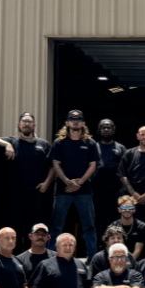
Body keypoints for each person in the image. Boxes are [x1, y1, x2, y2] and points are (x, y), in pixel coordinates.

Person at [0, 113, 53, 245]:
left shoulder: (43, 144)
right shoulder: (12, 142)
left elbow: (53, 166)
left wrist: (46, 183)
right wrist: (6, 145)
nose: (27, 124)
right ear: (19, 125)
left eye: (30, 122)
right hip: (15, 198)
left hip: (37, 198)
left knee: (33, 232)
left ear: (34, 125)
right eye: (24, 121)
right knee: (15, 230)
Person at [49, 110, 100, 259]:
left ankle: (92, 259)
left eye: (78, 119)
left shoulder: (90, 143)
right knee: (57, 226)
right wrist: (67, 181)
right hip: (63, 190)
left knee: (89, 226)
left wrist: (80, 182)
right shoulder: (59, 143)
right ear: (67, 123)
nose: (75, 121)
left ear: (83, 123)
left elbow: (93, 165)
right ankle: (52, 257)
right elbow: (55, 164)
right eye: (72, 119)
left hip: (84, 191)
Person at [92, 118, 127, 224]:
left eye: (109, 127)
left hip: (116, 191)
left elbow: (126, 169)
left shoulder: (121, 148)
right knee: (97, 219)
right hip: (97, 191)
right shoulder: (93, 147)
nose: (106, 130)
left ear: (113, 129)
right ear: (99, 130)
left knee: (115, 219)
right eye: (104, 128)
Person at [106, 195, 145, 260]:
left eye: (130, 208)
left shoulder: (142, 227)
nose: (127, 210)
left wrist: (128, 263)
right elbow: (110, 248)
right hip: (117, 260)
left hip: (136, 261)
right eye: (124, 208)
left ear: (134, 210)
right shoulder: (112, 226)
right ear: (119, 209)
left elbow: (138, 250)